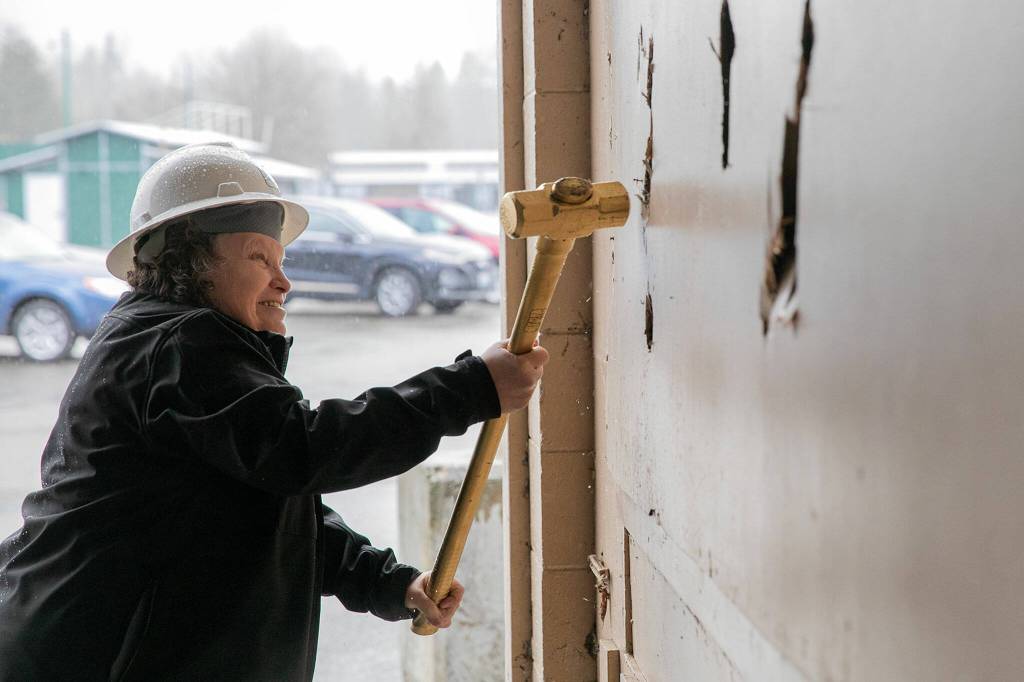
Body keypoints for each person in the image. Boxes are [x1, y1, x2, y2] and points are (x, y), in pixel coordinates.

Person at [0, 143, 548, 681]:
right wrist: (469, 388)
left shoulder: (165, 340)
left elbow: (260, 504)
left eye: (281, 261)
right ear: (190, 257)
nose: (283, 282)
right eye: (260, 257)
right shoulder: (179, 345)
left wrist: (385, 581)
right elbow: (303, 451)